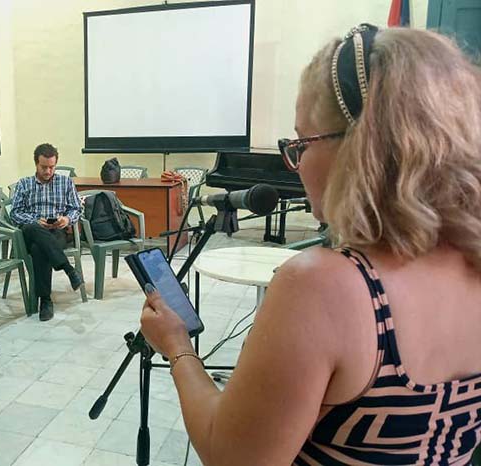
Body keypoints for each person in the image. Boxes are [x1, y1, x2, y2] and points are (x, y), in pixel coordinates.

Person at [139, 25, 481, 465]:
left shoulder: (323, 286)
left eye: (301, 143)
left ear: (360, 145)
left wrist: (177, 346)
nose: (296, 165)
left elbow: (231, 458)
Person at [10, 143, 83, 321]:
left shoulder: (65, 182)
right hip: (31, 230)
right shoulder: (24, 184)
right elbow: (15, 213)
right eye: (44, 167)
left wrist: (67, 219)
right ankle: (68, 269)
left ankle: (45, 300)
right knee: (33, 228)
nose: (48, 171)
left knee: (39, 249)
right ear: (36, 163)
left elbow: (76, 208)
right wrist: (35, 220)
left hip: (56, 232)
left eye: (52, 167)